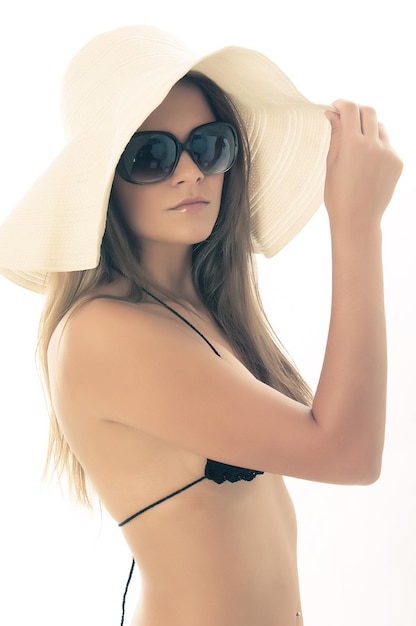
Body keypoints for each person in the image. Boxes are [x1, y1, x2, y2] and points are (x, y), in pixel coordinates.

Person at [0, 24, 402, 626]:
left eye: (209, 145)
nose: (190, 172)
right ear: (105, 183)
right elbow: (348, 452)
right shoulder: (104, 333)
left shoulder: (198, 313)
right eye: (152, 156)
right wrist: (356, 226)